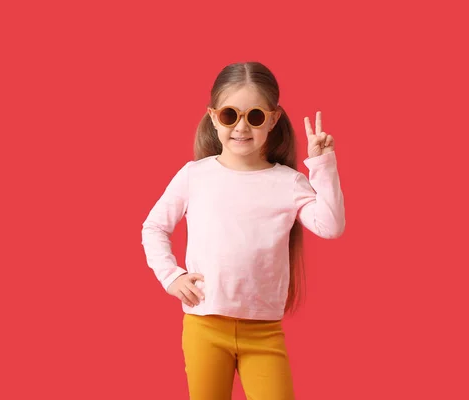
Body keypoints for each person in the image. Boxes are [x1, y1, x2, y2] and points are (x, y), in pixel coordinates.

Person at [141, 61, 346, 400]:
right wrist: (170, 275)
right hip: (204, 326)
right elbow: (154, 227)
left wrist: (322, 164)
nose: (241, 127)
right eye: (229, 115)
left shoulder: (288, 182)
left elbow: (331, 226)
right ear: (212, 116)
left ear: (273, 118)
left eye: (254, 116)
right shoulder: (195, 175)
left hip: (264, 332)